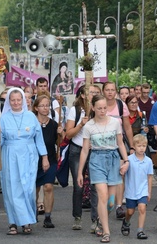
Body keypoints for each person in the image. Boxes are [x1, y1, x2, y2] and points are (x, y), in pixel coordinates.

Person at [77, 94, 130, 243]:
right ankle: (106, 231)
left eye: (105, 108)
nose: (102, 111)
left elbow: (120, 143)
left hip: (113, 159)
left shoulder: (114, 123)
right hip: (96, 159)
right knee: (102, 195)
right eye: (99, 108)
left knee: (111, 202)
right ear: (93, 108)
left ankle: (100, 220)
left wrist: (126, 160)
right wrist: (80, 172)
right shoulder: (89, 126)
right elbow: (85, 150)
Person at [0, 88, 48, 235]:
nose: (16, 102)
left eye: (18, 99)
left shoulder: (31, 117)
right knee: (12, 189)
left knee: (28, 188)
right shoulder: (4, 118)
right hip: (10, 155)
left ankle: (26, 221)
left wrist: (44, 157)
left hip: (29, 155)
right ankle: (13, 222)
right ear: (8, 101)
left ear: (23, 101)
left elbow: (39, 139)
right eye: (12, 100)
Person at [65, 85, 99, 233]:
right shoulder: (75, 110)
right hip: (77, 149)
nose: (94, 95)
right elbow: (68, 134)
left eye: (96, 93)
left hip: (93, 150)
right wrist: (81, 124)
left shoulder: (98, 109)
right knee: (79, 185)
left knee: (95, 185)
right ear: (83, 95)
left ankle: (95, 219)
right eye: (91, 93)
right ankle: (77, 217)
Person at [102, 82, 134, 220]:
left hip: (118, 144)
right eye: (107, 90)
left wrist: (131, 146)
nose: (110, 92)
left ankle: (119, 205)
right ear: (103, 91)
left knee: (120, 174)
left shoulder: (121, 106)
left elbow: (127, 127)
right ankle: (105, 203)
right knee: (105, 177)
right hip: (102, 146)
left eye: (112, 90)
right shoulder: (100, 105)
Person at [33, 94, 63, 228]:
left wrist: (61, 134)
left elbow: (59, 143)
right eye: (42, 105)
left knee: (49, 187)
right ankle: (32, 213)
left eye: (47, 105)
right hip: (33, 161)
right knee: (34, 189)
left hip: (50, 159)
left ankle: (48, 217)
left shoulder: (54, 124)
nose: (45, 108)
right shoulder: (31, 122)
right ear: (36, 108)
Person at [121, 134, 153, 240]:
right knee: (130, 211)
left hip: (142, 190)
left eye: (144, 146)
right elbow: (123, 174)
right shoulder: (129, 160)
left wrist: (149, 192)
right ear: (134, 146)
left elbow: (149, 177)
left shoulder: (148, 161)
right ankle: (126, 221)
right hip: (131, 190)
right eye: (139, 146)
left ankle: (140, 230)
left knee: (142, 208)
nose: (142, 148)